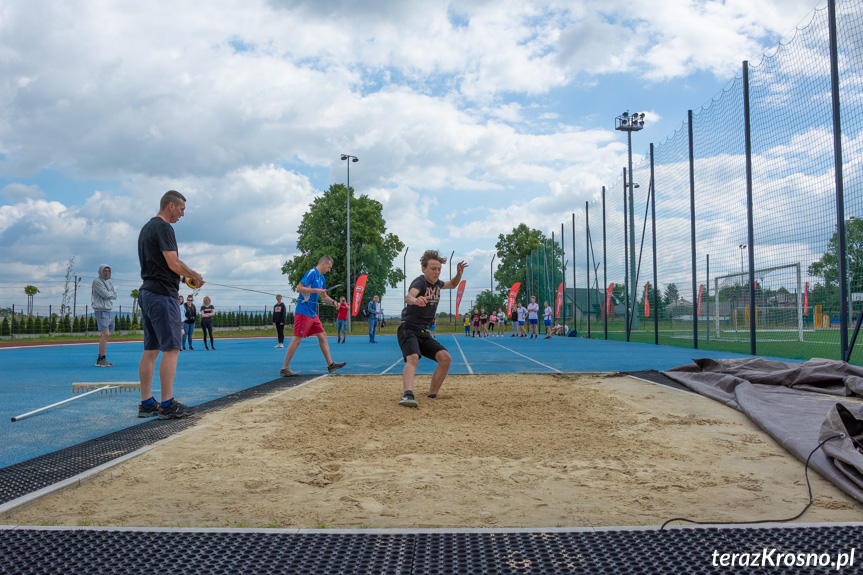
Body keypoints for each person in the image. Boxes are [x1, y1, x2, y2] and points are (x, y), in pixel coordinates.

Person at [136, 190, 204, 419]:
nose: (182, 214)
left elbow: (162, 266)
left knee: (151, 349)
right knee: (172, 349)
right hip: (162, 297)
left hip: (147, 292)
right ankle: (167, 404)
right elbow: (173, 263)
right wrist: (194, 273)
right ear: (171, 206)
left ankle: (146, 403)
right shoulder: (164, 227)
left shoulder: (146, 228)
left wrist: (185, 279)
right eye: (182, 209)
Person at [397, 250, 467, 408]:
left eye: (439, 269)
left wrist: (458, 274)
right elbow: (408, 297)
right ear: (424, 269)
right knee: (413, 357)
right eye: (433, 269)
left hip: (423, 332)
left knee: (445, 358)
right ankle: (407, 395)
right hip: (408, 328)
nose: (436, 272)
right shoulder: (419, 282)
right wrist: (416, 300)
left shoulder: (437, 284)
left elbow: (453, 284)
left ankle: (432, 395)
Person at [279, 255, 346, 377]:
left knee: (323, 336)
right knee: (297, 338)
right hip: (303, 311)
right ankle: (284, 368)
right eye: (329, 267)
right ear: (323, 264)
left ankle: (330, 365)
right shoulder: (311, 273)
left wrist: (334, 302)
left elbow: (324, 297)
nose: (329, 270)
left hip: (312, 313)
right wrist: (315, 290)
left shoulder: (322, 279)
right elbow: (299, 288)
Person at [91, 264, 117, 367]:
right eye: (105, 271)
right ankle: (102, 358)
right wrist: (109, 293)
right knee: (105, 334)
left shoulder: (109, 282)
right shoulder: (97, 281)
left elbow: (114, 295)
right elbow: (106, 294)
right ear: (101, 272)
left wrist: (110, 293)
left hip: (108, 309)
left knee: (106, 335)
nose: (106, 273)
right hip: (100, 309)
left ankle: (100, 358)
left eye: (108, 271)